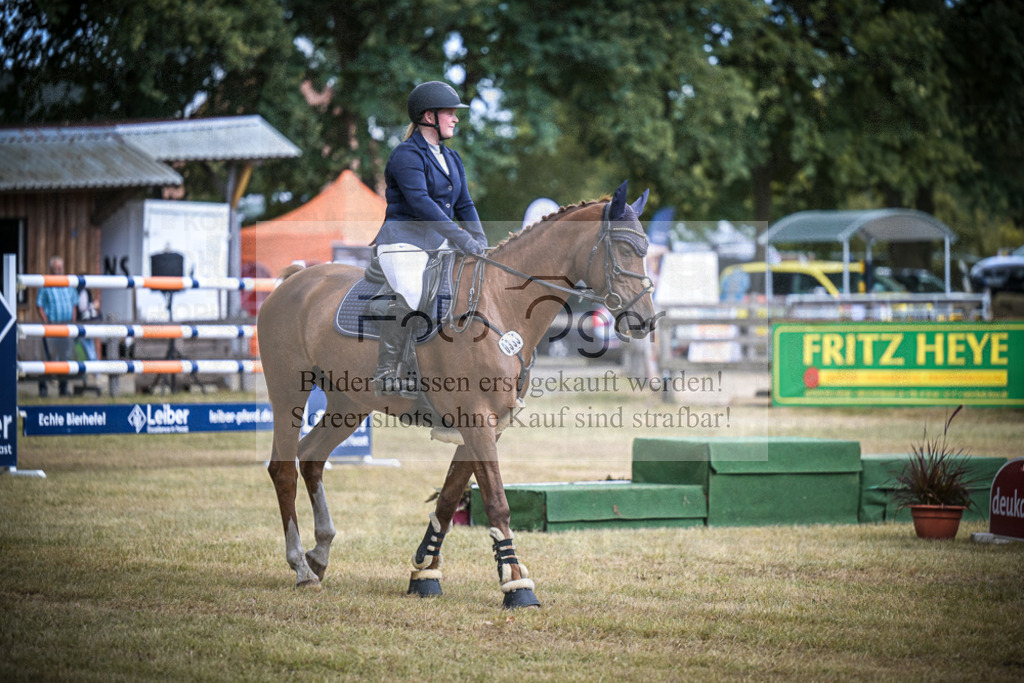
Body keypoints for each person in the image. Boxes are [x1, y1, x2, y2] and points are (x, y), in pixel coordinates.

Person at [370, 80, 488, 395]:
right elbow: (423, 205)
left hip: (437, 244)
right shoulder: (405, 155)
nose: (456, 118)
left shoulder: (452, 159)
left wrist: (481, 242)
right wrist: (463, 240)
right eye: (450, 112)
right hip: (401, 242)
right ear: (428, 116)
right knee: (412, 291)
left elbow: (464, 204)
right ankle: (388, 371)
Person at [35, 256, 77, 397]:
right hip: (51, 327)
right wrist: (46, 322)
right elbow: (39, 305)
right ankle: (43, 388)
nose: (60, 270)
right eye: (57, 268)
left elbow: (74, 303)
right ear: (51, 269)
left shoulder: (68, 283)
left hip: (66, 326)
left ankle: (63, 388)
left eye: (61, 267)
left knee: (64, 358)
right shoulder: (46, 284)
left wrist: (73, 321)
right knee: (47, 358)